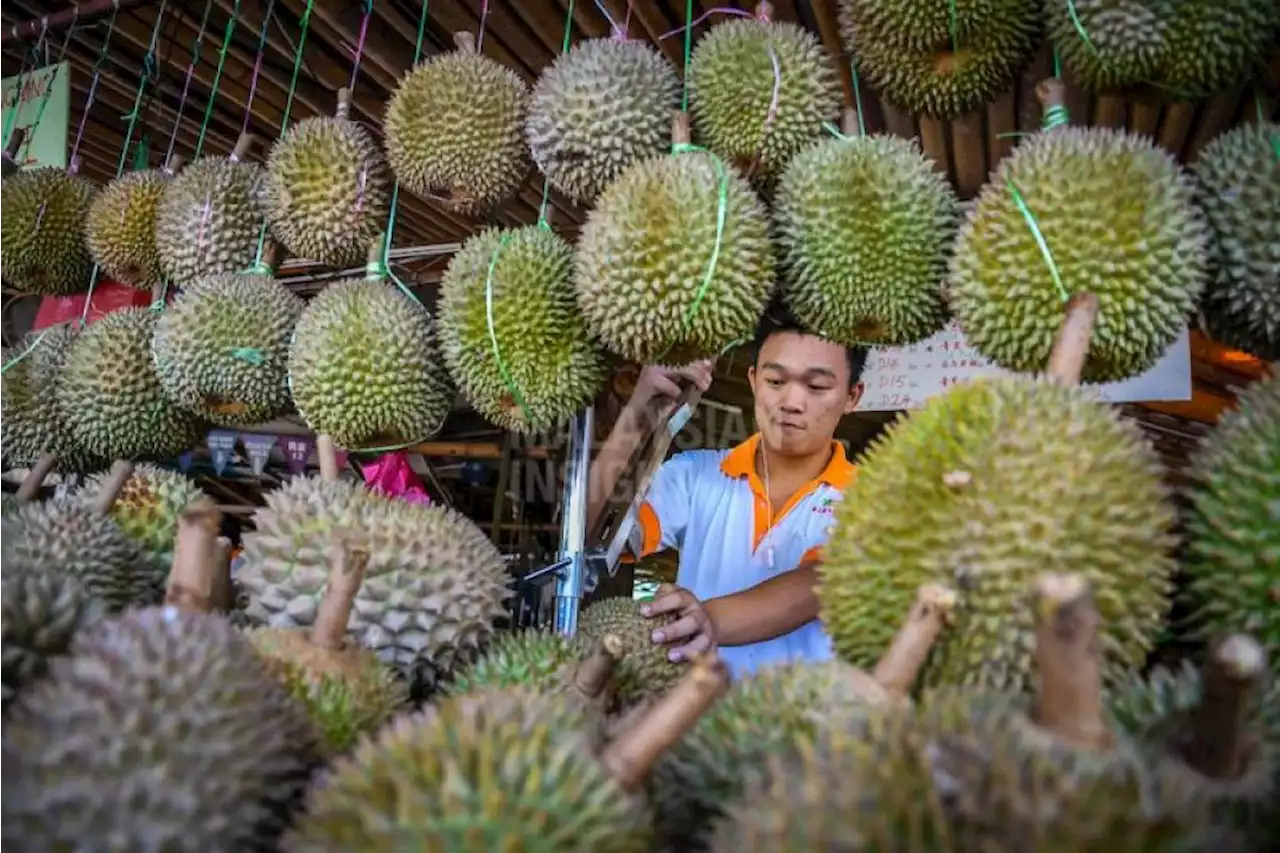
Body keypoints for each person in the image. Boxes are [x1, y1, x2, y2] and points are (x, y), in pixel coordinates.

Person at [586, 315, 868, 676]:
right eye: (775, 381)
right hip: (695, 720)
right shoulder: (695, 476)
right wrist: (637, 416)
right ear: (753, 381)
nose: (792, 402)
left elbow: (818, 582)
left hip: (813, 724)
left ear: (852, 396)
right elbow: (595, 536)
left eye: (816, 387)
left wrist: (709, 619)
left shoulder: (869, 499)